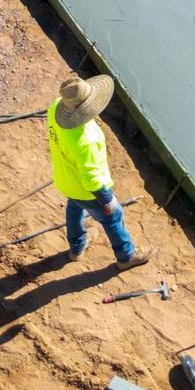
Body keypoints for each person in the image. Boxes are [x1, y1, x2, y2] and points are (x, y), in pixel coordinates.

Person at [46, 74, 151, 268]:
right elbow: (91, 179)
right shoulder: (88, 139)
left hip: (66, 181)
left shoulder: (55, 108)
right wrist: (108, 200)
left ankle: (77, 248)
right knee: (113, 217)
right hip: (87, 190)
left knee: (74, 208)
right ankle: (126, 256)